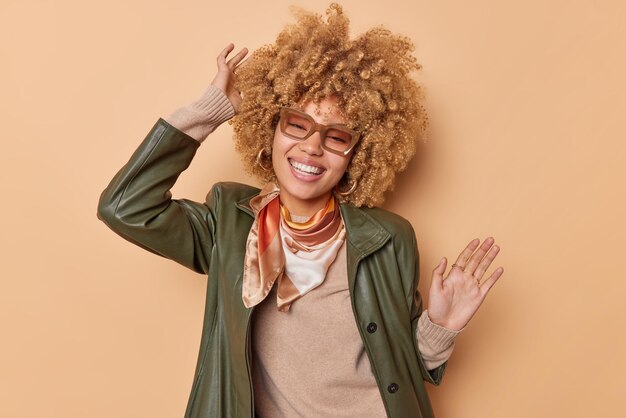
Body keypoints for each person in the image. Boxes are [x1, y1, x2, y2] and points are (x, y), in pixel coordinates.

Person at [97, 3, 504, 417]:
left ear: (356, 155)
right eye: (297, 124)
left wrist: (441, 325)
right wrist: (208, 110)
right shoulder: (230, 223)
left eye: (336, 136)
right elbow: (126, 206)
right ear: (270, 127)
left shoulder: (388, 237)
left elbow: (402, 371)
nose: (312, 146)